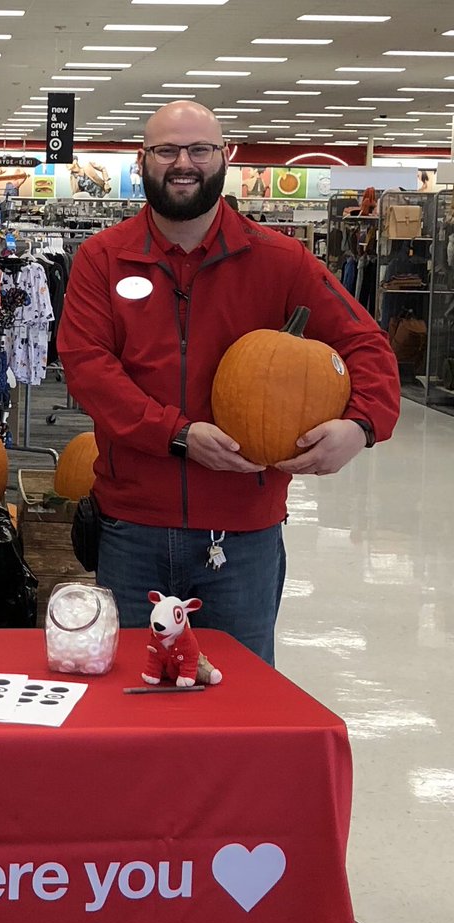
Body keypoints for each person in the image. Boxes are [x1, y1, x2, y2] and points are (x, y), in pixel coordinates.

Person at [56, 102, 400, 665]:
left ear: (225, 156)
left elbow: (368, 346)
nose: (182, 163)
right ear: (143, 160)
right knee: (129, 698)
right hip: (132, 528)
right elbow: (88, 368)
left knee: (239, 702)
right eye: (166, 150)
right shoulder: (103, 259)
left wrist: (361, 427)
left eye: (198, 149)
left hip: (243, 538)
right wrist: (177, 434)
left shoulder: (281, 261)